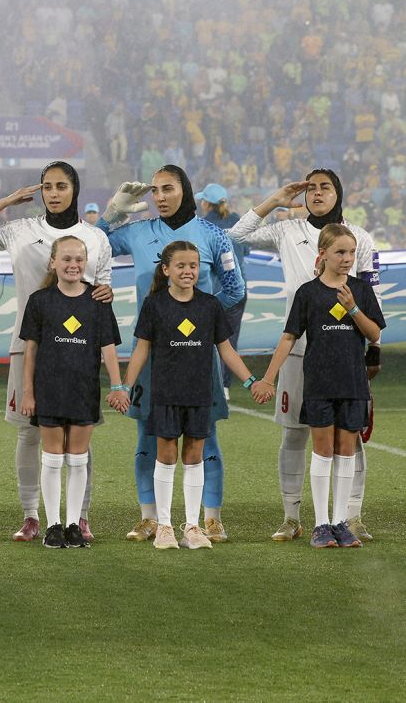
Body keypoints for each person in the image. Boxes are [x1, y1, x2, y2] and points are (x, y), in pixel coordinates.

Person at [0, 161, 113, 542]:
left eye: (61, 185)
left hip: (78, 351)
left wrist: (103, 293)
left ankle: (81, 516)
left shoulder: (95, 238)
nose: (54, 193)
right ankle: (31, 516)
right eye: (47, 187)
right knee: (30, 435)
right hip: (26, 347)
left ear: (75, 189)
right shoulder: (20, 229)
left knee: (79, 435)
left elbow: (102, 295)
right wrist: (7, 201)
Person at [228, 171, 383, 542]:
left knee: (350, 437)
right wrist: (276, 199)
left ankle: (351, 516)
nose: (316, 193)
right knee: (295, 434)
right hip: (298, 353)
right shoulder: (287, 229)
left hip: (345, 354)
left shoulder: (359, 237)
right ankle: (292, 516)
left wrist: (373, 352)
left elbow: (369, 297)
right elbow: (237, 235)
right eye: (310, 188)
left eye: (324, 187)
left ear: (338, 193)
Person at [98, 166, 245, 543]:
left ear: (186, 190)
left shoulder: (213, 234)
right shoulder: (137, 231)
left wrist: (200, 320)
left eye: (168, 189)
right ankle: (150, 518)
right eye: (154, 191)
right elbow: (90, 244)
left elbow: (235, 288)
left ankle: (209, 519)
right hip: (152, 358)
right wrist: (115, 211)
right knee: (148, 434)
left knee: (205, 436)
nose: (159, 197)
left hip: (198, 358)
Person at [113, 241, 263, 550]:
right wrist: (123, 387)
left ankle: (192, 527)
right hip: (165, 394)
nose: (188, 271)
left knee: (194, 458)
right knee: (166, 457)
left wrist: (252, 382)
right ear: (166, 270)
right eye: (181, 266)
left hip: (199, 394)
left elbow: (226, 350)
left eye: (193, 265)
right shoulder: (154, 304)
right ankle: (165, 527)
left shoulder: (209, 305)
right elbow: (141, 349)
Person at [255, 224, 385, 548]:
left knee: (345, 453)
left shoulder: (361, 290)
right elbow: (288, 338)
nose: (347, 258)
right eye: (340, 252)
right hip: (319, 384)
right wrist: (268, 379)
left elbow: (374, 334)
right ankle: (321, 525)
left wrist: (354, 307)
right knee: (323, 452)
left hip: (353, 384)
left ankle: (341, 523)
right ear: (323, 254)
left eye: (352, 253)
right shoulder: (308, 293)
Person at [17, 236, 125, 549]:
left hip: (83, 390)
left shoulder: (98, 300)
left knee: (78, 460)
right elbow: (31, 350)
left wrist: (117, 386)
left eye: (78, 259)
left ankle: (73, 524)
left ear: (86, 262)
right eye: (66, 259)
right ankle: (52, 525)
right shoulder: (40, 301)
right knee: (52, 457)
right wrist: (28, 392)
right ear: (53, 262)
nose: (73, 265)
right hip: (49, 389)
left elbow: (108, 348)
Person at [194, 184, 248, 391]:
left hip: (213, 292)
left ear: (206, 203)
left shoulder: (202, 225)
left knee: (205, 338)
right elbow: (246, 252)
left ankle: (210, 383)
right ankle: (224, 387)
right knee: (230, 340)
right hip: (238, 290)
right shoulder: (237, 222)